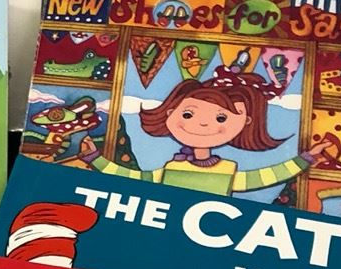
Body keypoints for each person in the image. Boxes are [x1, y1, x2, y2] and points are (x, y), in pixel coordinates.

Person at [121, 68, 321, 195]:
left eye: (221, 118)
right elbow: (136, 177)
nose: (202, 124)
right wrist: (100, 161)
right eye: (188, 114)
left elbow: (266, 176)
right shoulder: (173, 165)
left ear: (246, 122)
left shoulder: (227, 169)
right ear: (171, 112)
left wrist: (305, 159)